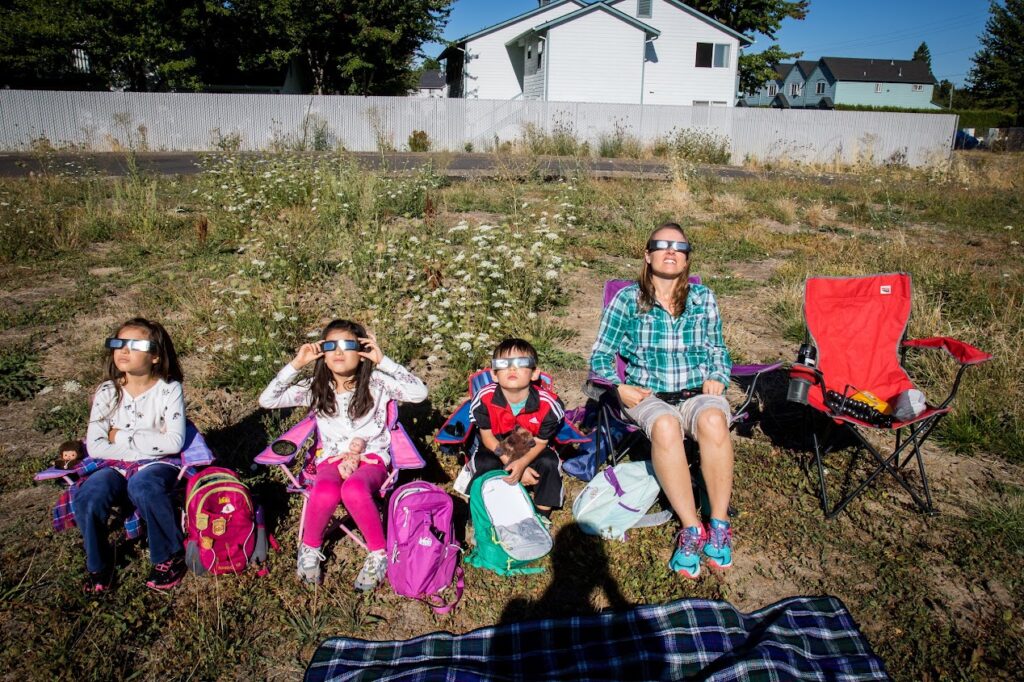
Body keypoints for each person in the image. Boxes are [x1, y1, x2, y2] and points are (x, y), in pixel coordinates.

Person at [589, 223, 735, 579]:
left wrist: (718, 375)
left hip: (696, 393)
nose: (671, 251)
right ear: (647, 254)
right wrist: (617, 387)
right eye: (662, 245)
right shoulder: (628, 300)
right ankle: (691, 528)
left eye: (679, 247)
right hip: (647, 395)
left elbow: (718, 349)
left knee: (713, 419)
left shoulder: (703, 298)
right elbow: (600, 355)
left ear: (686, 259)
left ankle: (718, 524)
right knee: (666, 425)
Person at [259, 319, 427, 589]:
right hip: (332, 459)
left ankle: (379, 552)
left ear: (361, 351)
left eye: (348, 345)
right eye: (330, 346)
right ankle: (309, 547)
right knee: (325, 490)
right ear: (322, 355)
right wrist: (297, 364)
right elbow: (267, 400)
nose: (338, 351)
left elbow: (419, 393)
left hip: (371, 459)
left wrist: (383, 361)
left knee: (354, 490)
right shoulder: (316, 387)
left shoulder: (378, 383)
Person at [77, 318, 188, 592]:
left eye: (135, 345)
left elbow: (173, 443)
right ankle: (98, 563)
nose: (124, 351)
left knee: (145, 486)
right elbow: (96, 447)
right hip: (113, 464)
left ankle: (169, 555)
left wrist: (118, 435)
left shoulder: (169, 389)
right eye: (119, 343)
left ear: (155, 356)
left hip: (158, 463)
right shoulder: (107, 391)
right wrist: (147, 443)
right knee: (90, 495)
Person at [469, 338, 565, 519]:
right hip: (496, 445)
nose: (512, 369)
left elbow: (541, 441)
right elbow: (488, 438)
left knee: (549, 462)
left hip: (530, 444)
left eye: (521, 363)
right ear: (494, 374)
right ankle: (481, 515)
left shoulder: (549, 404)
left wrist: (522, 464)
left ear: (534, 373)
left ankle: (542, 515)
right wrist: (513, 466)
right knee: (485, 463)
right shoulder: (484, 398)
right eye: (503, 364)